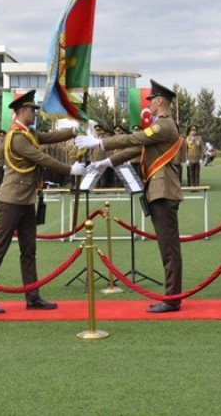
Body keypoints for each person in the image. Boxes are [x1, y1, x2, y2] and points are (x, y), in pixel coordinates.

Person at [77, 79, 184, 313]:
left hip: (163, 191)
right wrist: (106, 162)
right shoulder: (160, 126)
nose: (149, 106)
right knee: (167, 246)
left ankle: (173, 298)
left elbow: (134, 139)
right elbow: (137, 149)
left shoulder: (163, 126)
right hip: (159, 190)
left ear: (160, 101)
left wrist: (100, 142)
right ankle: (172, 295)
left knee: (169, 247)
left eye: (151, 101)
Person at [0, 90, 85, 314]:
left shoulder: (29, 133)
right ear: (21, 111)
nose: (35, 113)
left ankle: (32, 295)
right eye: (32, 110)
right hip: (12, 200)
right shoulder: (16, 136)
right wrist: (70, 169)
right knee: (0, 248)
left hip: (26, 200)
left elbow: (49, 137)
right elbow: (41, 158)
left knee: (29, 249)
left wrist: (74, 131)